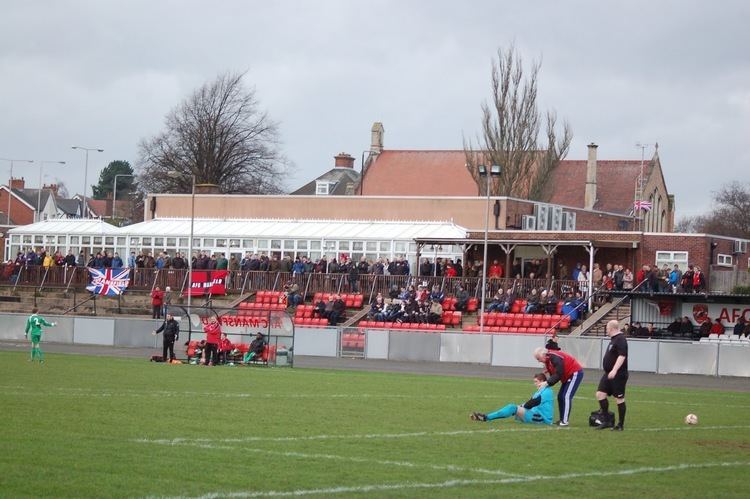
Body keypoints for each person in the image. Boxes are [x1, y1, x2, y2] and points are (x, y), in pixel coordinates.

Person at [470, 373, 553, 425]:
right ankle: (486, 417)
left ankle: (486, 417)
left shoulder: (546, 391)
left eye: (536, 381)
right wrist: (520, 407)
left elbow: (530, 404)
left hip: (541, 419)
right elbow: (530, 402)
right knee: (513, 408)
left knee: (512, 407)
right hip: (535, 415)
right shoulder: (541, 391)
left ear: (542, 381)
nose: (535, 384)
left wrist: (519, 407)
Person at [533, 346, 584, 426]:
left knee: (566, 396)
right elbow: (553, 375)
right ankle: (562, 419)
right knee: (560, 396)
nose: (539, 361)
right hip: (567, 376)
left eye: (538, 359)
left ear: (543, 355)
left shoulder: (555, 357)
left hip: (574, 373)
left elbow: (559, 373)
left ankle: (564, 421)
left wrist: (546, 383)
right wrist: (547, 383)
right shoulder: (548, 360)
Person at [595, 320, 629, 431]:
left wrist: (614, 370)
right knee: (600, 394)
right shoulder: (613, 340)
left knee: (619, 399)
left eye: (607, 329)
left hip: (618, 374)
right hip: (608, 373)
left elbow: (622, 356)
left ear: (611, 328)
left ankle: (620, 425)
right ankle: (607, 421)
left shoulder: (621, 339)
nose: (606, 331)